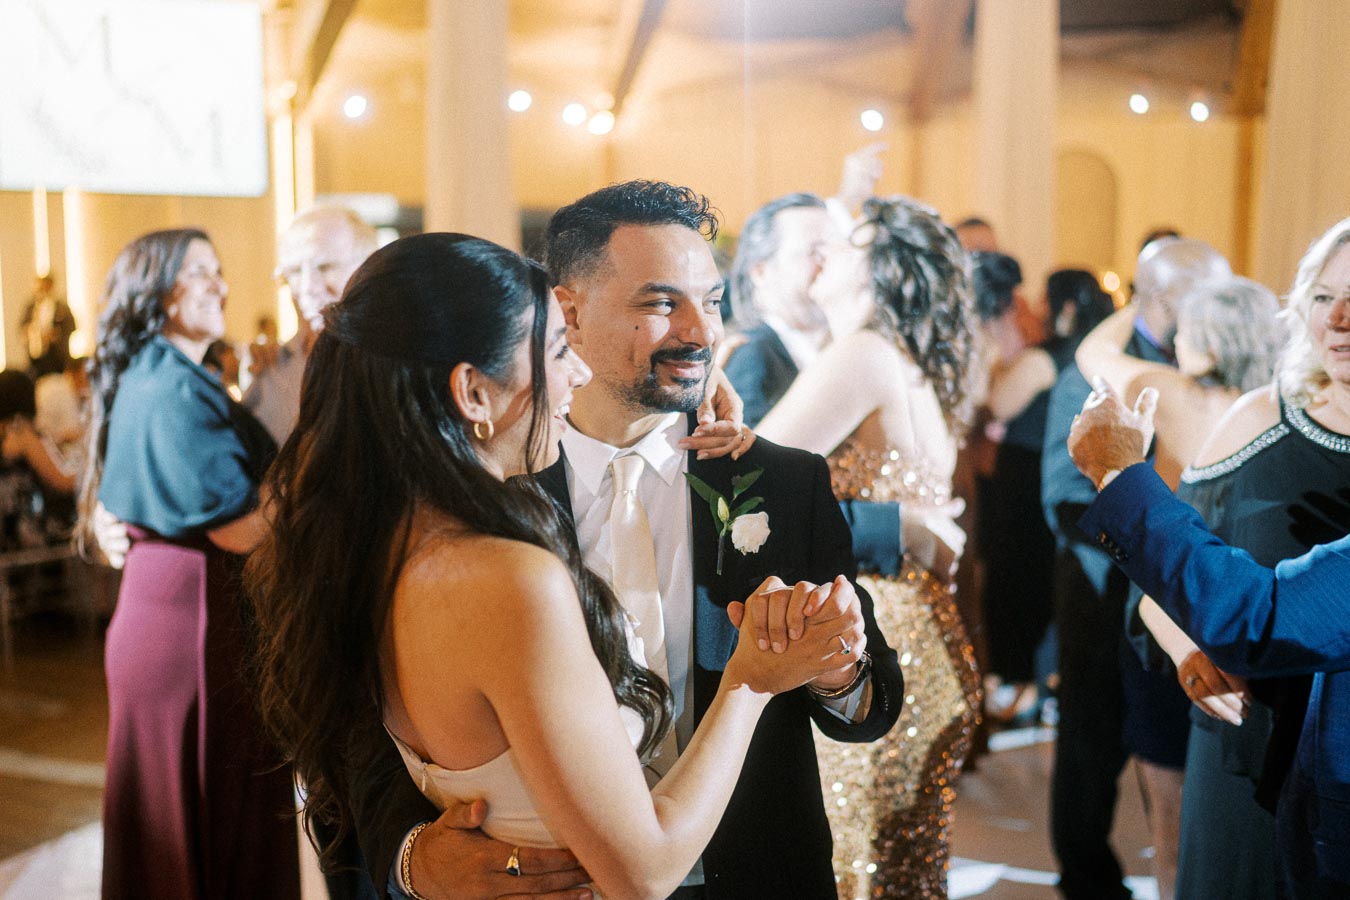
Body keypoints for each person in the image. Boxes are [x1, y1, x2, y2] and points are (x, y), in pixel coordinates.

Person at [292, 183, 902, 900]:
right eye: (659, 303)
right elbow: (358, 721)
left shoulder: (780, 479)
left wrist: (838, 667)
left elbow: (871, 703)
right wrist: (411, 859)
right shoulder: (476, 503)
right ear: (568, 312)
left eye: (711, 301)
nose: (701, 333)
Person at [1076, 218, 1350, 900]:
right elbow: (1159, 575)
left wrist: (1116, 475)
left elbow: (1262, 613)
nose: (1339, 320)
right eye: (1324, 297)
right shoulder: (1259, 419)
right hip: (1238, 747)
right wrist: (1188, 653)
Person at [755, 195, 980, 899]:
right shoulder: (910, 360)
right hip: (928, 641)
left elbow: (749, 496)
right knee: (898, 866)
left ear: (880, 270)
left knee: (858, 863)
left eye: (843, 241)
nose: (824, 251)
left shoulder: (862, 355)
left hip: (867, 645)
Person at [76, 229, 298, 899]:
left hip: (164, 609)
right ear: (157, 289)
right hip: (195, 624)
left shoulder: (160, 373)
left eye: (219, 271)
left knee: (176, 824)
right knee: (211, 815)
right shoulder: (171, 388)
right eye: (199, 273)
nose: (220, 286)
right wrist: (321, 474)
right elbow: (237, 531)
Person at [1076, 277, 1286, 900]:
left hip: (1171, 614)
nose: (1174, 340)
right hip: (1253, 627)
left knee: (1172, 830)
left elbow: (1093, 355)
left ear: (1208, 338)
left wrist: (1142, 294)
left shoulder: (1165, 391)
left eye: (1185, 329)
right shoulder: (1280, 414)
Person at [1040, 237, 1231, 900]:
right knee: (1090, 749)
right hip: (1103, 586)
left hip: (1174, 588)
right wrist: (1146, 537)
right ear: (1162, 297)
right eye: (1204, 297)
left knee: (1165, 754)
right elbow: (1063, 495)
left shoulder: (1208, 364)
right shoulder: (1093, 375)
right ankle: (1087, 880)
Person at [981, 268, 1112, 724]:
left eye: (1045, 302)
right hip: (1071, 483)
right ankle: (1043, 683)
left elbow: (997, 403)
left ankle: (1017, 687)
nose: (1038, 311)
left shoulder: (1049, 358)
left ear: (1066, 308)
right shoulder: (1103, 355)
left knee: (1019, 585)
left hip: (1026, 484)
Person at [722, 192, 831, 427]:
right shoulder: (752, 354)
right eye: (815, 252)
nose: (829, 263)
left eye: (833, 250)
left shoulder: (830, 348)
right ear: (761, 271)